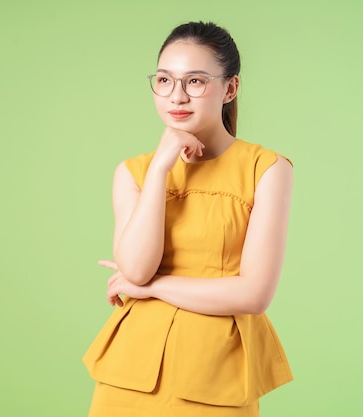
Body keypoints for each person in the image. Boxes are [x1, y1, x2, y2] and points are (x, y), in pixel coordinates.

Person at [83, 21, 294, 417]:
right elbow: (136, 268)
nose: (176, 96)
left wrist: (152, 288)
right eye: (164, 80)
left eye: (195, 81)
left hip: (217, 378)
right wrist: (161, 168)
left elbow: (253, 295)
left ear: (230, 88)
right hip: (127, 377)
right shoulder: (134, 172)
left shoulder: (267, 169)